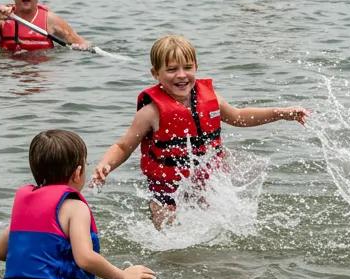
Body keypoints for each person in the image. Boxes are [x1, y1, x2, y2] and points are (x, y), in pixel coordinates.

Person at [91, 34, 310, 228]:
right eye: (171, 69)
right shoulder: (150, 112)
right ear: (155, 73)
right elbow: (124, 145)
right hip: (166, 188)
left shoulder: (210, 98)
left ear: (196, 67)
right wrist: (105, 165)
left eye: (187, 67)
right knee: (168, 233)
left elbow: (239, 117)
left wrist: (281, 113)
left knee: (217, 226)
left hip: (207, 182)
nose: (181, 75)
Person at [0, 129, 156, 279]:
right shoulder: (75, 207)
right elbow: (85, 259)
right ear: (78, 172)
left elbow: (1, 252)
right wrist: (122, 276)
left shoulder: (27, 204)